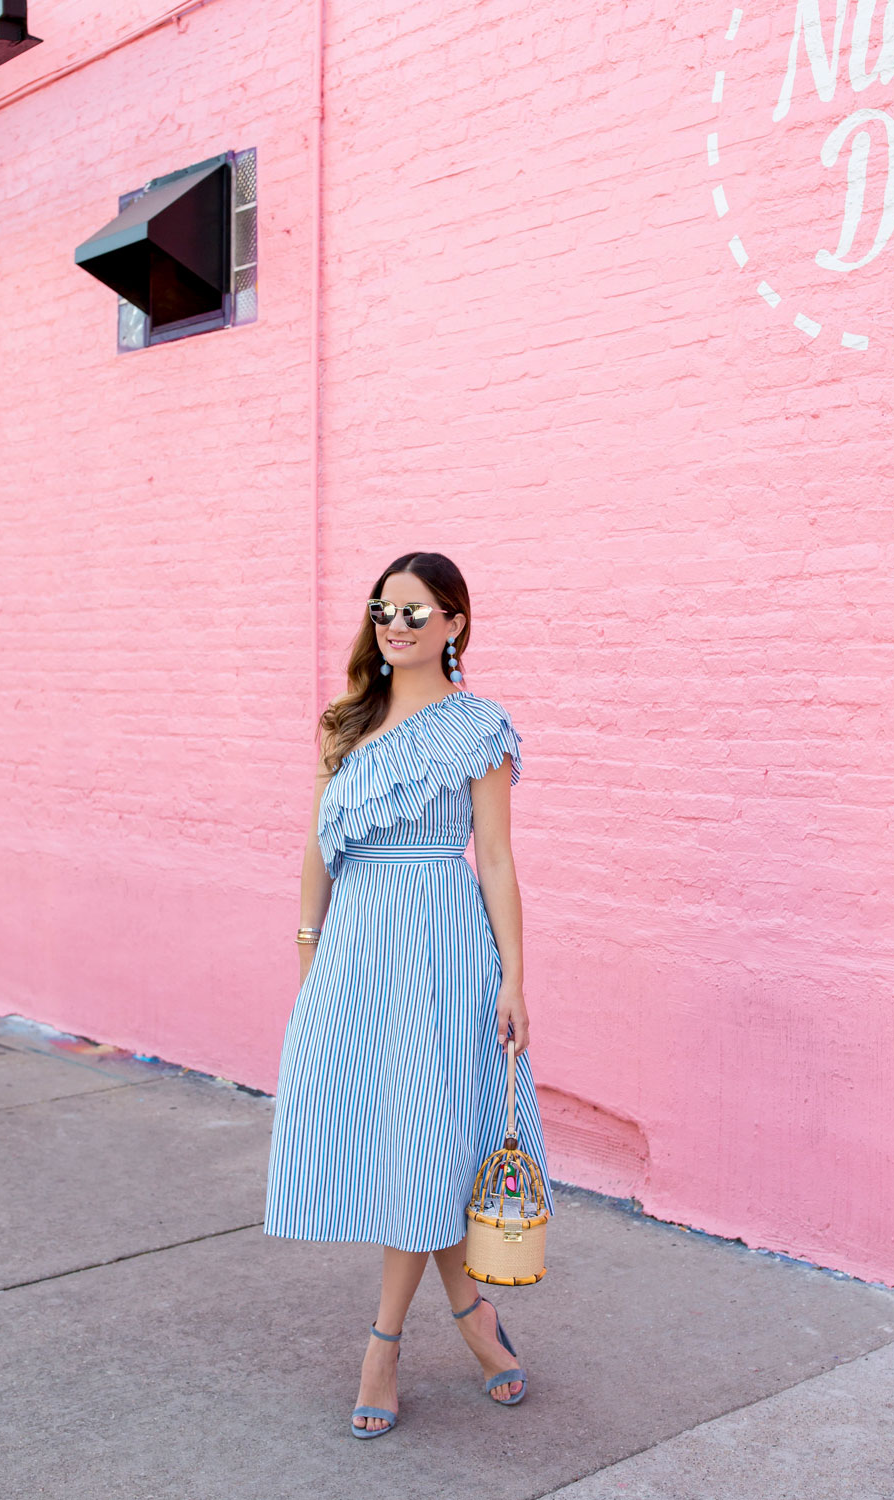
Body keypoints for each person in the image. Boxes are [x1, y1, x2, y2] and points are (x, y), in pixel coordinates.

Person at [263, 550, 551, 1437]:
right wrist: (309, 954)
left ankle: (383, 1344)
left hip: (444, 948)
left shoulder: (478, 727)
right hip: (358, 949)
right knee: (405, 1141)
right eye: (385, 609)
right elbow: (318, 847)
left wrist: (515, 974)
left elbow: (495, 857)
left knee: (429, 1138)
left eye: (418, 611)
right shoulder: (345, 723)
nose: (397, 624)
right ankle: (474, 1321)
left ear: (456, 624)